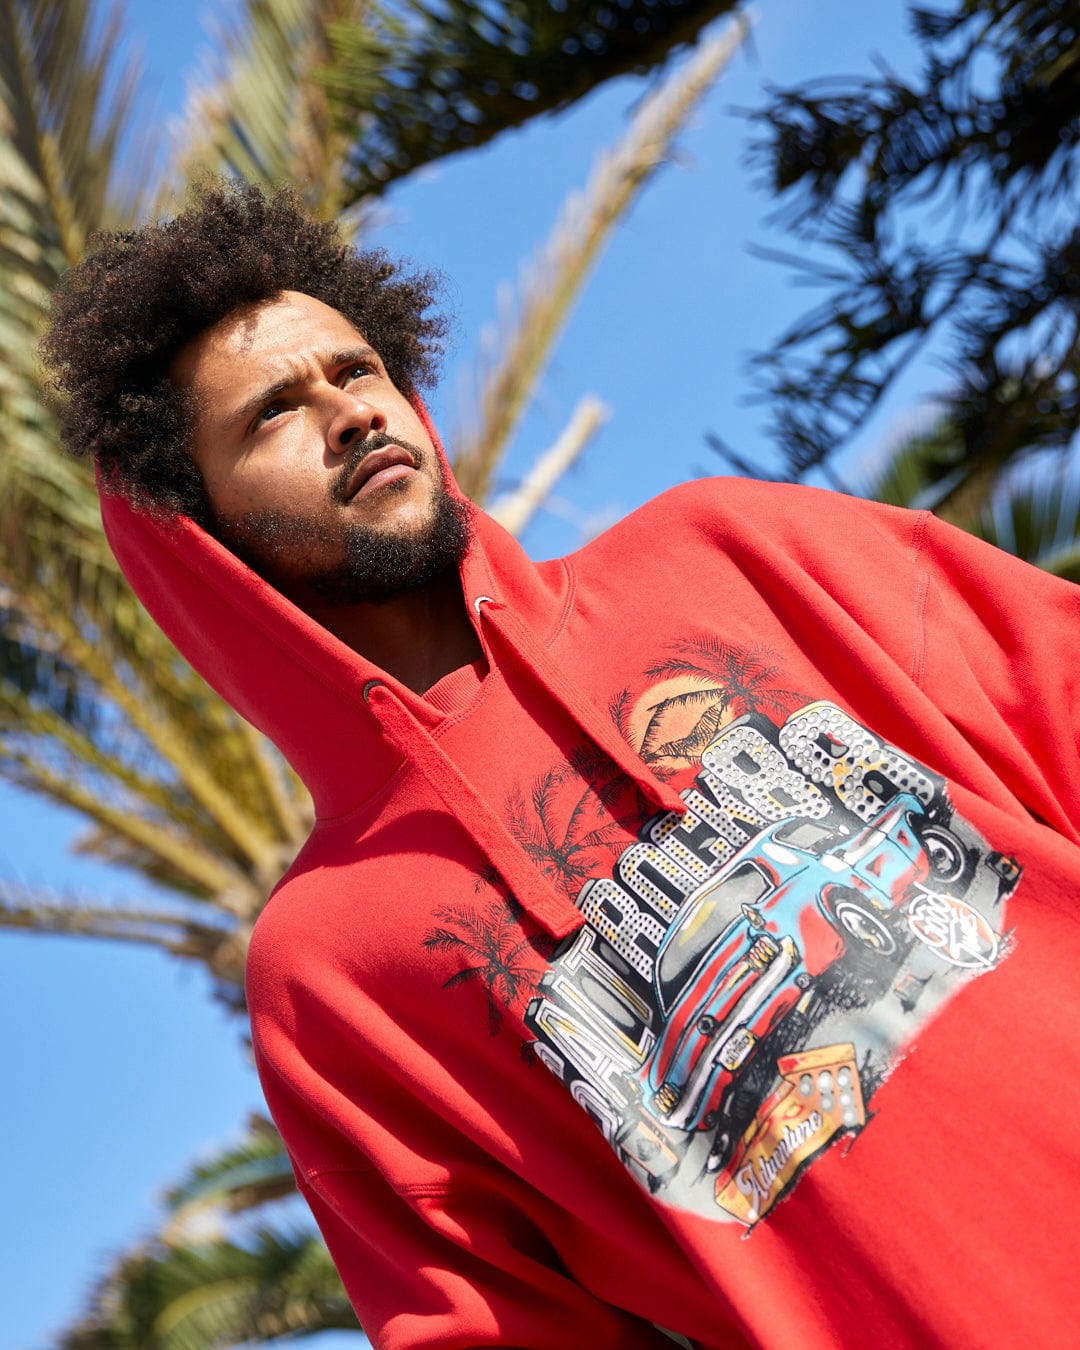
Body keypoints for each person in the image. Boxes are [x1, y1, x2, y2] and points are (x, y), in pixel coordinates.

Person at [44, 180, 1080, 1349]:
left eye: (356, 370)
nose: (350, 414)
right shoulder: (329, 963)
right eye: (274, 411)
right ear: (201, 533)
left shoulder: (725, 551)